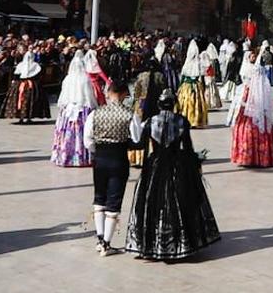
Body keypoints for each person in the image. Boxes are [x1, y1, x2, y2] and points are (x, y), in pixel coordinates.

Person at [128, 94, 221, 262]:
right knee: (179, 201)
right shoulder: (182, 121)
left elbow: (142, 146)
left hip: (155, 166)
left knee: (152, 203)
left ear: (159, 104)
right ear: (173, 105)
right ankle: (182, 243)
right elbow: (187, 146)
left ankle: (151, 244)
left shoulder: (150, 122)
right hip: (177, 165)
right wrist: (195, 160)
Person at [88, 87, 138, 255]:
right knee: (114, 200)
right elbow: (136, 138)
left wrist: (98, 149)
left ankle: (100, 238)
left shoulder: (95, 113)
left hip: (100, 159)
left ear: (108, 93)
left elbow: (87, 140)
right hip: (119, 159)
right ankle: (106, 243)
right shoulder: (129, 114)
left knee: (99, 197)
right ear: (124, 94)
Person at [50, 52, 94, 167]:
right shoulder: (85, 79)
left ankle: (64, 155)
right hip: (82, 109)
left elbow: (63, 96)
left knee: (67, 133)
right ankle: (81, 157)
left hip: (69, 109)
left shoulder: (67, 79)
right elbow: (89, 96)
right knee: (81, 133)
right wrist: (94, 107)